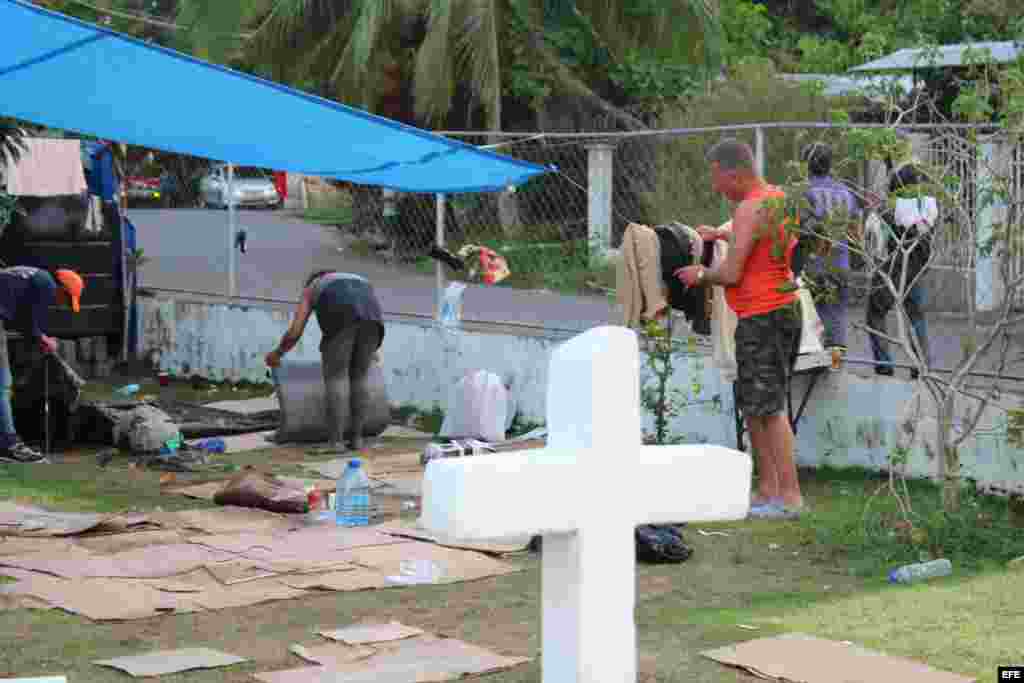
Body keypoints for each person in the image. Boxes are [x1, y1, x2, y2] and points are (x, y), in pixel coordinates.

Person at [674, 138, 805, 518]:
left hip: (764, 314)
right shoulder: (776, 198)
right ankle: (767, 490)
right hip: (776, 311)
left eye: (718, 179)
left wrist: (700, 274)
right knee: (754, 404)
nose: (717, 188)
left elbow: (731, 272)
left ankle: (790, 497)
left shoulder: (749, 208)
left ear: (734, 173)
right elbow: (766, 245)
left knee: (769, 406)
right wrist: (724, 236)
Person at [265, 271, 385, 450]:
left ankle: (336, 442)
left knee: (337, 379)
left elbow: (295, 332)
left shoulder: (312, 288)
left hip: (343, 319)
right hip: (374, 323)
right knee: (359, 379)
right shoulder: (361, 280)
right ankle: (357, 440)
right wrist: (370, 350)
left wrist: (277, 353)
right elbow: (366, 312)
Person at [0, 267, 85, 463]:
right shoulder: (46, 285)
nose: (62, 304)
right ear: (62, 289)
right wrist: (42, 339)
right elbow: (27, 323)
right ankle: (9, 444)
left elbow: (20, 320)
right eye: (66, 299)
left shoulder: (32, 276)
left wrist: (39, 337)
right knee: (2, 385)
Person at [866, 163, 934, 379]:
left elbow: (876, 239)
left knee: (875, 313)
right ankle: (921, 367)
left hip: (894, 268)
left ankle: (884, 365)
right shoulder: (928, 208)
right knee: (916, 316)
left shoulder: (890, 209)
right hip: (918, 269)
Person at [797, 142, 863, 356]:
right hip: (840, 263)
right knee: (838, 316)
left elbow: (797, 229)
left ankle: (814, 364)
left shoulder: (804, 192)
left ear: (806, 164)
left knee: (812, 315)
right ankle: (836, 364)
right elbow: (856, 232)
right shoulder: (845, 192)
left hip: (814, 264)